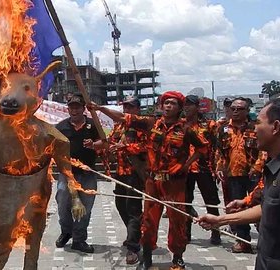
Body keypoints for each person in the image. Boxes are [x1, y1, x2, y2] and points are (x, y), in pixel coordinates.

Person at [89, 91, 208, 270]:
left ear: (179, 108)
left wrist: (186, 165)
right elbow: (123, 117)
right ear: (161, 105)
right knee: (149, 221)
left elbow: (202, 147)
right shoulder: (151, 123)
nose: (168, 106)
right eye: (166, 103)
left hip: (174, 183)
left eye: (173, 104)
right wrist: (100, 108)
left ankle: (177, 257)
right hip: (152, 182)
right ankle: (147, 256)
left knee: (177, 222)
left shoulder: (186, 129)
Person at [198, 97, 280, 269]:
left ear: (276, 127)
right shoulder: (278, 167)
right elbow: (267, 208)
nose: (254, 128)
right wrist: (221, 220)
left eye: (258, 122)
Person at [54, 93, 103, 253]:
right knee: (63, 203)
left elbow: (104, 142)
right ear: (68, 109)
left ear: (83, 109)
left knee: (85, 208)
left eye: (77, 107)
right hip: (66, 173)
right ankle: (66, 231)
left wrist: (94, 144)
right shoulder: (60, 127)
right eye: (71, 107)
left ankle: (79, 239)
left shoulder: (93, 124)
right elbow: (53, 148)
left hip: (87, 173)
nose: (74, 110)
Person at [215, 97, 262, 253]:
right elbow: (220, 151)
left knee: (259, 206)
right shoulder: (223, 129)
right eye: (233, 108)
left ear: (247, 111)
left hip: (254, 175)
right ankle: (243, 241)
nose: (235, 111)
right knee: (238, 209)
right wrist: (220, 167)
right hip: (233, 174)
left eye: (239, 109)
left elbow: (265, 150)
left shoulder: (256, 128)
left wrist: (257, 167)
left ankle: (266, 240)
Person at [107, 96, 147, 264]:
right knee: (121, 207)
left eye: (131, 107)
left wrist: (126, 147)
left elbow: (147, 146)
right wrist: (97, 145)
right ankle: (135, 234)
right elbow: (109, 142)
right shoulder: (118, 127)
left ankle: (133, 247)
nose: (127, 110)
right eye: (125, 107)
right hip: (120, 173)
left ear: (137, 109)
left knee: (133, 210)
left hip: (135, 173)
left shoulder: (142, 126)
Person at [182, 95, 221, 245]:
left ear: (197, 107)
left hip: (204, 168)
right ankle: (186, 233)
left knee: (211, 202)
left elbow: (217, 147)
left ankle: (216, 232)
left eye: (190, 105)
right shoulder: (181, 125)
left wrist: (218, 165)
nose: (187, 108)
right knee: (185, 202)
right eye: (185, 105)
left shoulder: (209, 125)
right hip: (185, 169)